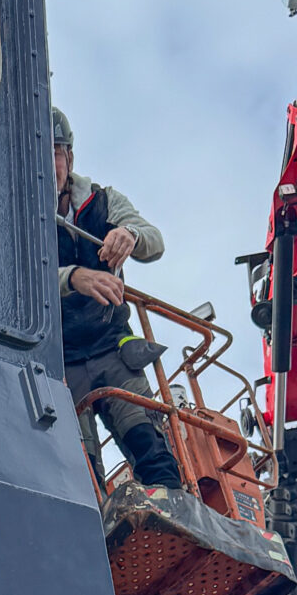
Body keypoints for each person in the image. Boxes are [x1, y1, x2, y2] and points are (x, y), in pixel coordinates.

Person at [53, 106, 181, 491]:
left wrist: (130, 234)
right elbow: (15, 276)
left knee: (151, 449)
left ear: (69, 157)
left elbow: (154, 241)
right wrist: (72, 277)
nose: (47, 163)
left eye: (54, 152)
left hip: (112, 349)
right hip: (59, 362)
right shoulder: (21, 218)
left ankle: (168, 510)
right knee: (82, 474)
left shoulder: (104, 201)